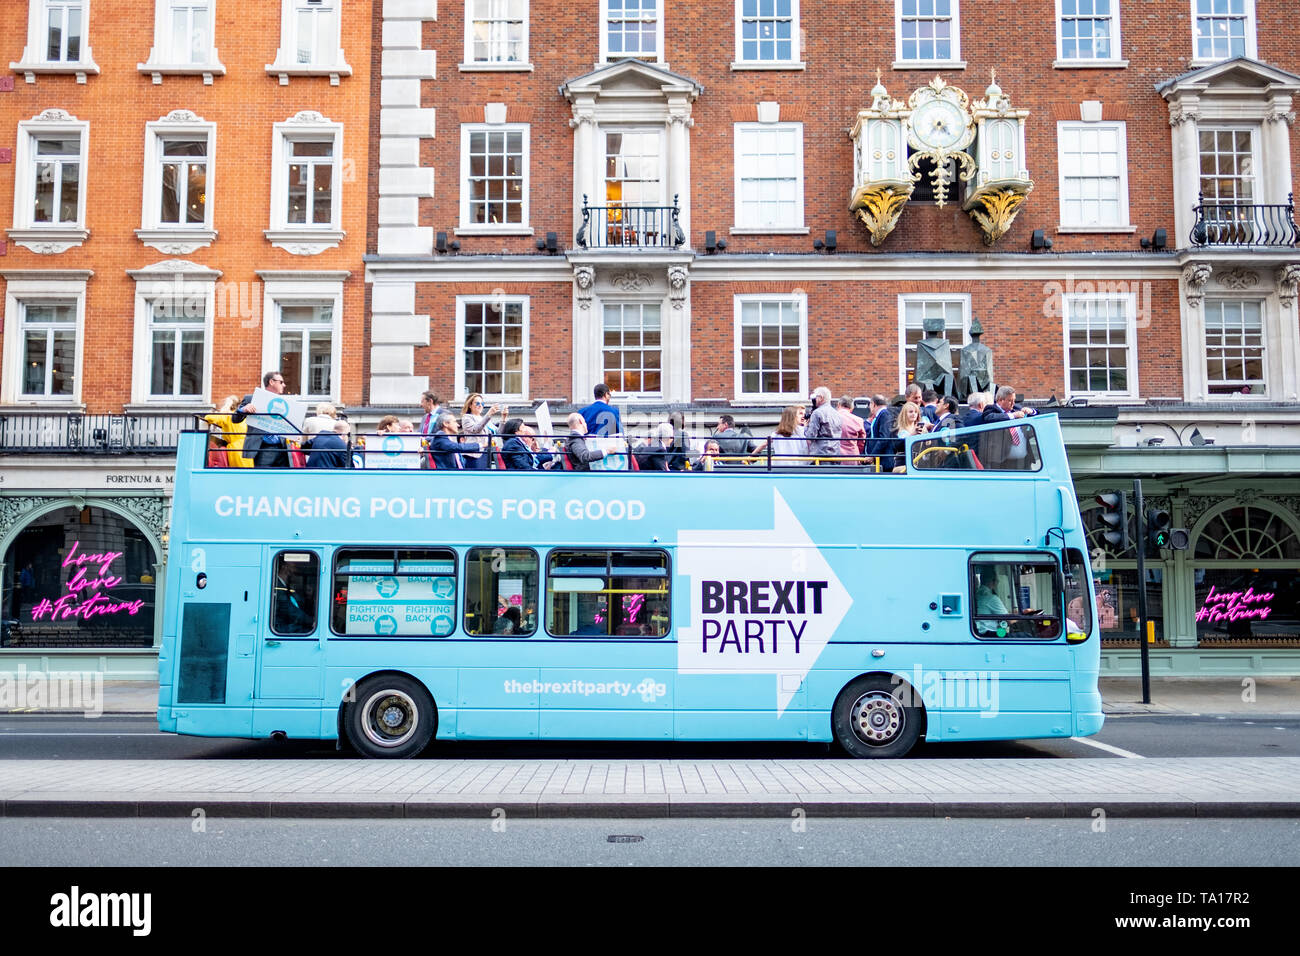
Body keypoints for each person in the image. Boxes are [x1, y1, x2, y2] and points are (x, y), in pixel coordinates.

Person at [234, 371, 289, 468]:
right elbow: (234, 419)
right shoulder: (252, 398)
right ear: (271, 382)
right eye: (281, 382)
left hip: (282, 448)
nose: (284, 385)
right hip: (263, 447)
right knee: (263, 479)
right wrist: (244, 409)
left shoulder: (284, 403)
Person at [205, 395, 252, 468]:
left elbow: (208, 417)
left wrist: (223, 411)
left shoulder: (227, 416)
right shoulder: (243, 416)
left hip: (237, 449)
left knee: (239, 473)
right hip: (248, 445)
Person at [461, 393, 505, 469]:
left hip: (486, 452)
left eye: (482, 403)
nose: (480, 405)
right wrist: (489, 413)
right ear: (470, 405)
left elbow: (497, 432)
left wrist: (503, 418)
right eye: (477, 403)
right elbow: (476, 429)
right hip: (474, 453)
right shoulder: (466, 417)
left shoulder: (483, 418)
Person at [891, 401, 931, 473]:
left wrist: (926, 434)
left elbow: (928, 445)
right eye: (911, 412)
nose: (914, 414)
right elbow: (897, 446)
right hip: (902, 464)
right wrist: (912, 435)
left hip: (920, 463)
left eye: (916, 412)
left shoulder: (922, 428)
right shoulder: (897, 430)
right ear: (904, 414)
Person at [805, 386, 841, 463]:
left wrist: (805, 427)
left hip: (820, 456)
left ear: (821, 398)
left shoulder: (817, 413)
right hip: (836, 454)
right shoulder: (837, 413)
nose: (814, 400)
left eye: (815, 397)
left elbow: (810, 436)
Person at [837, 396, 867, 462]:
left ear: (838, 405)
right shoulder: (858, 420)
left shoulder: (831, 418)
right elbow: (862, 440)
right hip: (852, 456)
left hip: (835, 455)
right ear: (852, 408)